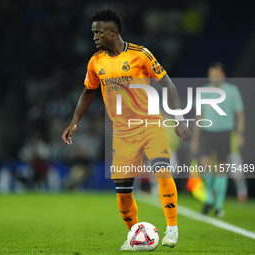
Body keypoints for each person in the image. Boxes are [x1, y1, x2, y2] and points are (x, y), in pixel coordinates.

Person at [62, 9, 191, 250]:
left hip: (151, 124)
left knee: (162, 170)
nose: (94, 37)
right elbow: (88, 91)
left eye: (98, 32)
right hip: (122, 133)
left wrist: (180, 118)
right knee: (123, 192)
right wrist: (74, 121)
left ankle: (171, 228)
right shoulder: (96, 62)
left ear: (113, 32)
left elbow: (168, 84)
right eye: (93, 33)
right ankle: (134, 234)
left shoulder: (140, 55)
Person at [190, 62, 245, 217]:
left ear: (223, 75)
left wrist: (240, 134)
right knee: (204, 164)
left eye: (216, 73)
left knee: (221, 169)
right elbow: (198, 116)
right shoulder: (203, 91)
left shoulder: (232, 91)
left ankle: (218, 205)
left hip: (224, 133)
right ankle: (209, 197)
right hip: (207, 132)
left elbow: (240, 114)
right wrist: (195, 139)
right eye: (211, 73)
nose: (214, 76)